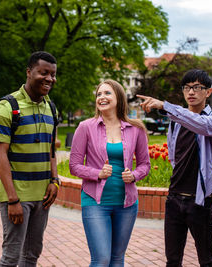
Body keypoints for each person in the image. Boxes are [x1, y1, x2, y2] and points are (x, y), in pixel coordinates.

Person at [137, 69, 212, 267]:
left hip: (200, 201)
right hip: (175, 199)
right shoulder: (175, 123)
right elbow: (173, 156)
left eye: (197, 87)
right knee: (173, 260)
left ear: (208, 92)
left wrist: (165, 106)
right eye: (187, 88)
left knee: (208, 260)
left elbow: (200, 125)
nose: (191, 92)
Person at [69, 79, 151, 267]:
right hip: (95, 202)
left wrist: (134, 175)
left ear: (118, 97)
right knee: (102, 259)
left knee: (117, 260)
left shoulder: (136, 128)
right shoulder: (85, 127)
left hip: (127, 203)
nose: (102, 97)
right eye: (99, 94)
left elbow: (145, 164)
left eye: (107, 93)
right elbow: (74, 165)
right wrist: (97, 173)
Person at [0, 51, 60, 267]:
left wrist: (54, 180)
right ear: (29, 72)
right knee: (11, 257)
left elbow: (52, 150)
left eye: (53, 75)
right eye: (43, 73)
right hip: (16, 195)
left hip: (43, 196)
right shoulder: (8, 106)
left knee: (32, 255)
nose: (49, 79)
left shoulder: (51, 108)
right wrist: (12, 199)